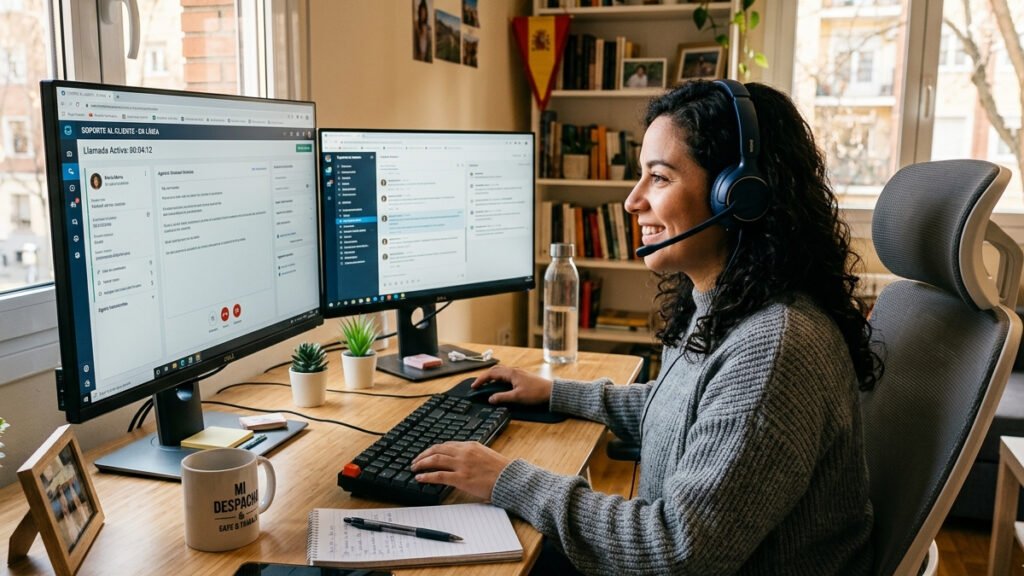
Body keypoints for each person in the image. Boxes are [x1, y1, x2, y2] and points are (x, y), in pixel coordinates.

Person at [411, 80, 881, 575]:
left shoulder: (776, 347)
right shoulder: (730, 304)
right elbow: (679, 413)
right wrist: (554, 392)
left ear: (740, 195)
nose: (633, 200)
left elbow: (677, 548)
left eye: (658, 177)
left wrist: (507, 478)